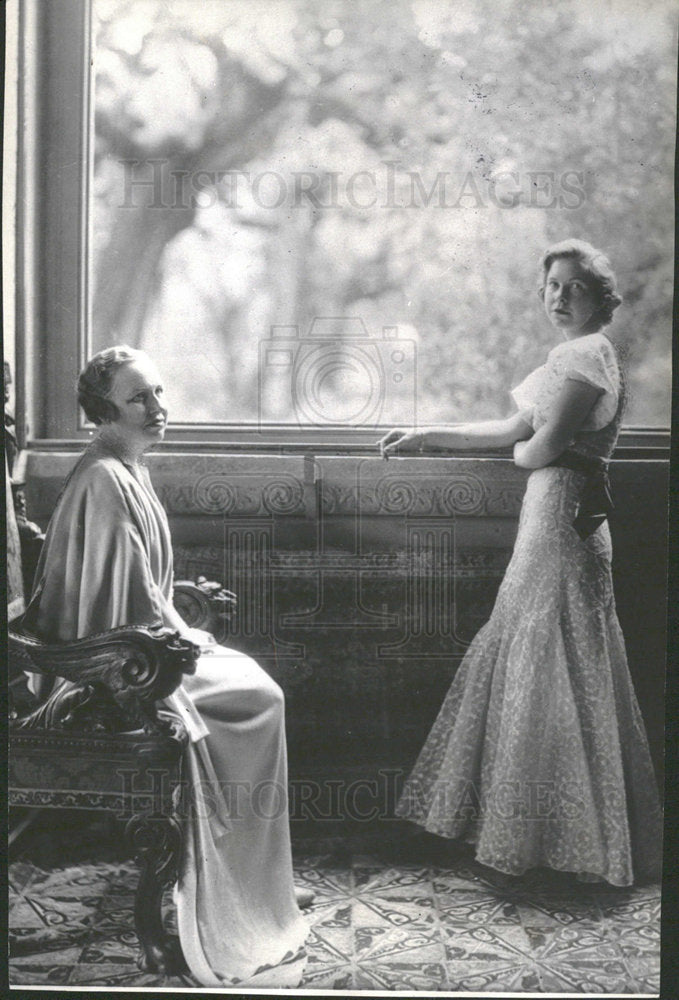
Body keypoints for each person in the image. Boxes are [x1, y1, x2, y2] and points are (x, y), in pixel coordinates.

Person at [21, 346, 311, 986]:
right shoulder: (103, 479)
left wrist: (182, 633)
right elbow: (123, 601)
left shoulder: (128, 466)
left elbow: (147, 590)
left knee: (256, 688)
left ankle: (255, 879)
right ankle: (238, 885)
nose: (157, 408)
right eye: (138, 399)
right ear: (104, 412)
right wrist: (179, 640)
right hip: (112, 665)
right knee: (257, 700)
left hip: (140, 645)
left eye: (157, 392)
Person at [378, 239, 662, 886]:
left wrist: (523, 453)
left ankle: (549, 843)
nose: (559, 297)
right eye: (552, 286)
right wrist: (427, 434)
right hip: (558, 515)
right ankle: (551, 839)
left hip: (562, 516)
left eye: (574, 287)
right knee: (549, 653)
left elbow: (537, 449)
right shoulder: (579, 355)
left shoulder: (584, 355)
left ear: (600, 298)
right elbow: (514, 428)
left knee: (546, 652)